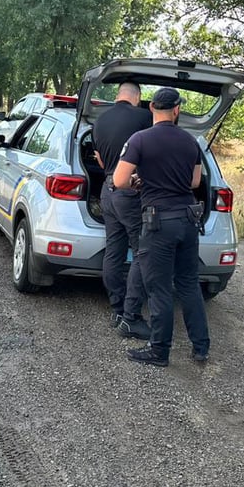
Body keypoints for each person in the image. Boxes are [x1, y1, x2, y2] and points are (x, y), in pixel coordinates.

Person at [112, 87, 208, 366]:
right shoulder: (191, 142)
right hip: (189, 220)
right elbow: (194, 182)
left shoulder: (140, 139)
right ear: (177, 110)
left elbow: (119, 181)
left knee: (160, 289)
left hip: (158, 223)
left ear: (152, 107)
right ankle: (201, 347)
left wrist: (141, 180)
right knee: (189, 285)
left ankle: (159, 351)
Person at [92, 81, 152, 338]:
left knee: (114, 250)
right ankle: (131, 317)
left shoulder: (99, 121)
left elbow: (102, 161)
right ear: (137, 97)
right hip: (132, 190)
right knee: (142, 251)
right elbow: (155, 151)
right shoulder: (144, 117)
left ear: (118, 95)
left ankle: (117, 309)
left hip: (108, 189)